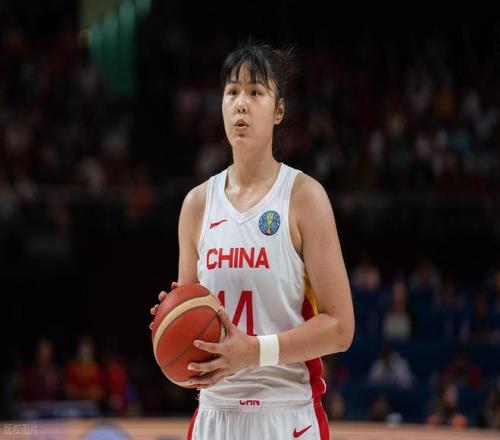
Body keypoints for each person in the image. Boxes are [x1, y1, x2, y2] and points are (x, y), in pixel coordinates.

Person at [150, 39, 354, 440]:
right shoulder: (196, 205)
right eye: (232, 92)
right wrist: (173, 320)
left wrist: (253, 352)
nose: (241, 104)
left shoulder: (304, 197)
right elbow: (193, 332)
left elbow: (340, 328)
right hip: (215, 415)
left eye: (256, 92)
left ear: (279, 111)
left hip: (286, 415)